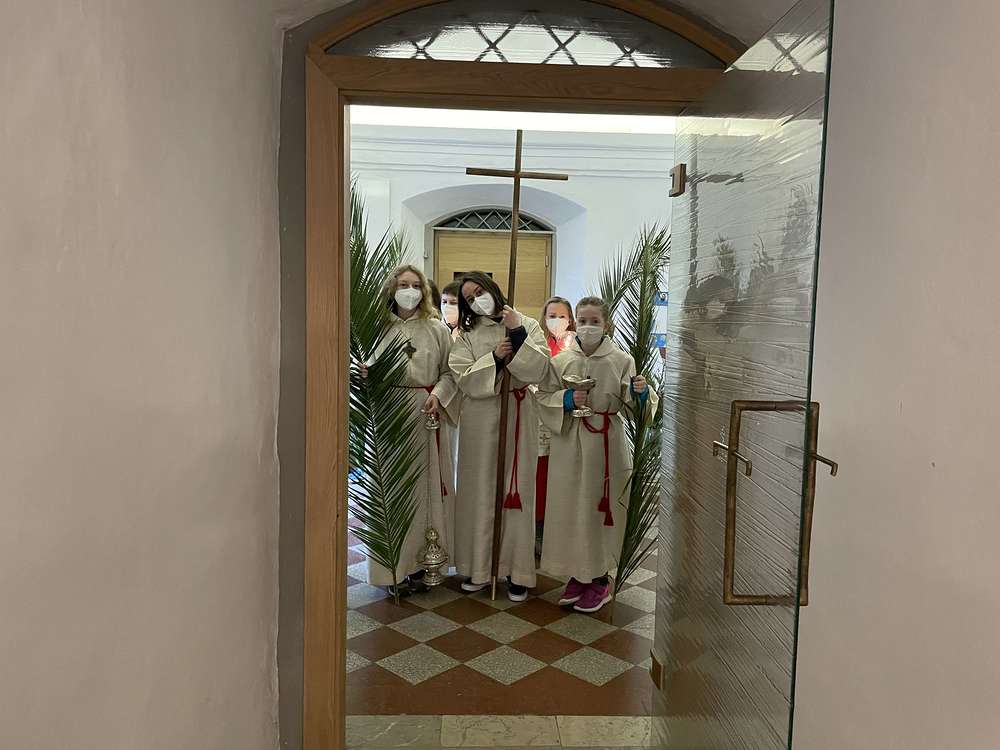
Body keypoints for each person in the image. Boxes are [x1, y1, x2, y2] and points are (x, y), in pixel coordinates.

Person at [537, 296, 658, 613]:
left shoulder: (621, 360)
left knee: (597, 509)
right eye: (583, 321)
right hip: (569, 443)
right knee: (570, 508)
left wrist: (641, 393)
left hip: (606, 444)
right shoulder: (561, 361)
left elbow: (636, 408)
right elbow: (544, 397)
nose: (588, 327)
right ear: (574, 323)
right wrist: (567, 399)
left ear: (606, 325)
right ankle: (578, 574)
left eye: (595, 321)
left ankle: (600, 579)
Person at [449, 271, 550, 601]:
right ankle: (480, 568)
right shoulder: (467, 334)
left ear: (493, 289)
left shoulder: (526, 323)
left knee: (516, 490)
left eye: (480, 291)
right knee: (479, 491)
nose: (477, 300)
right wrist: (494, 358)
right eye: (469, 299)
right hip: (480, 418)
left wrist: (517, 334)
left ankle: (517, 572)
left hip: (518, 412)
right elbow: (463, 376)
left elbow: (541, 369)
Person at [362, 264, 457, 594]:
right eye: (403, 284)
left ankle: (422, 563)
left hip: (424, 413)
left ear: (424, 291)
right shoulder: (375, 329)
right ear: (391, 289)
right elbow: (358, 365)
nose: (410, 291)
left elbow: (450, 373)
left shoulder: (436, 329)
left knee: (423, 491)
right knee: (391, 489)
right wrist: (363, 372)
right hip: (387, 415)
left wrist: (438, 395)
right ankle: (392, 570)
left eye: (416, 285)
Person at [534, 297, 576, 546]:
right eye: (552, 316)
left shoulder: (577, 347)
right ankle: (539, 529)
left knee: (565, 477)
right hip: (541, 419)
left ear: (570, 319)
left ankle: (563, 529)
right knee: (541, 478)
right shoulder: (537, 345)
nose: (557, 321)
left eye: (562, 316)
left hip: (569, 419)